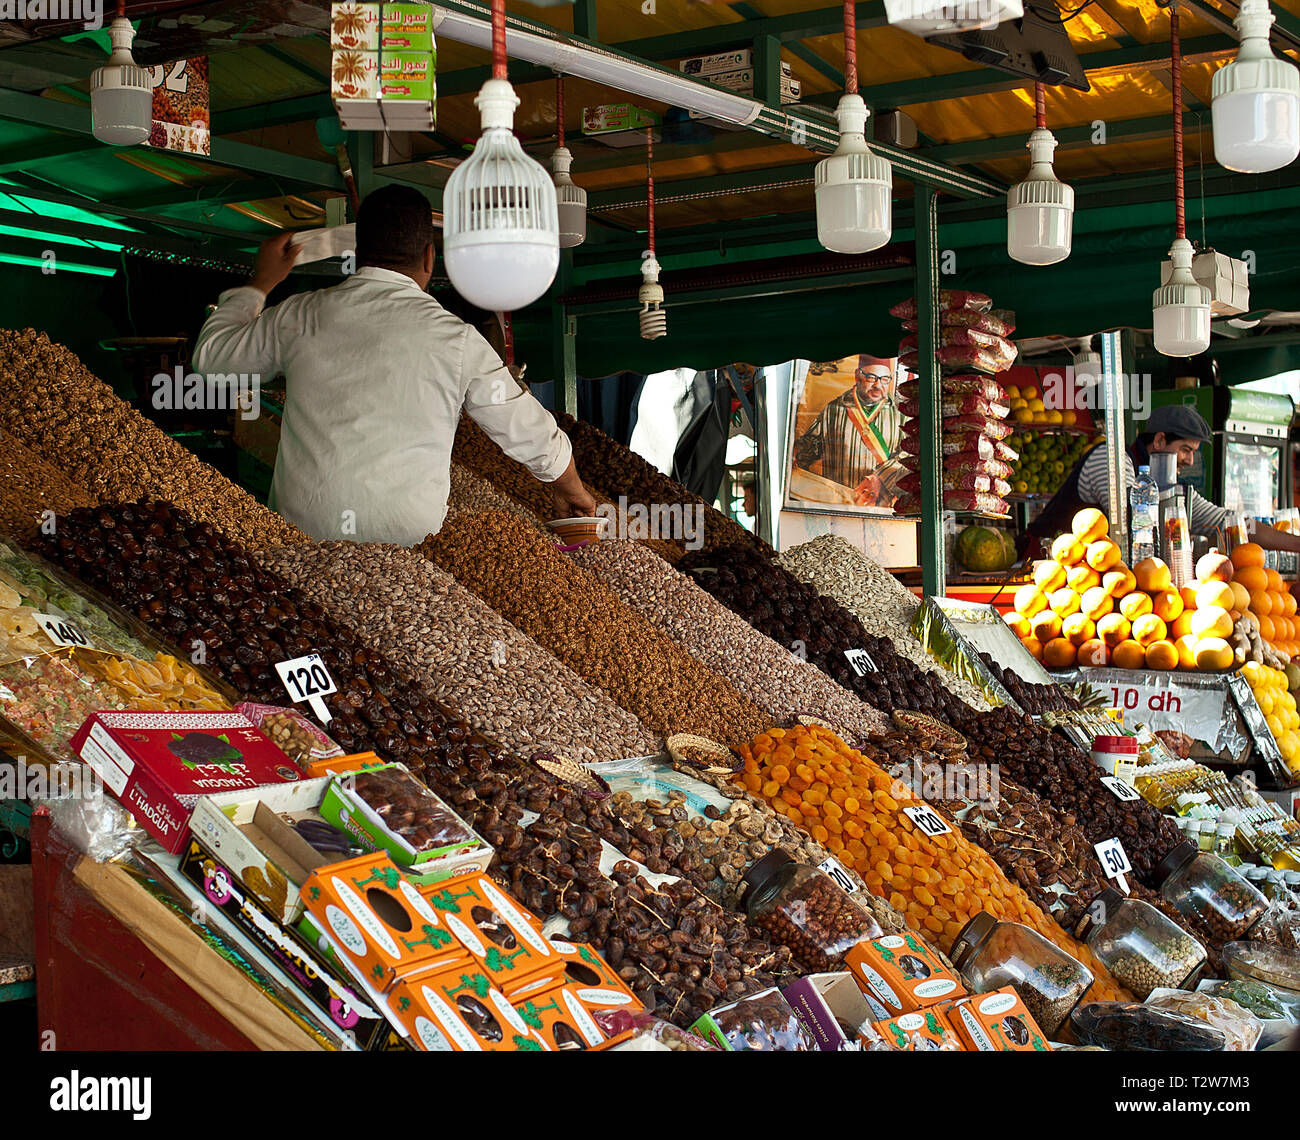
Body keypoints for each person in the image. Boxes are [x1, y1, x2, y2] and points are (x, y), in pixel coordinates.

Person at [193, 184, 595, 545]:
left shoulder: (301, 314)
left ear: (360, 252)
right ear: (429, 256)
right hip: (407, 551)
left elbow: (213, 362)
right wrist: (571, 488)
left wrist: (260, 284)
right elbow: (527, 428)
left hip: (303, 544)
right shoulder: (456, 340)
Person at [1023, 403, 1300, 557]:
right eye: (1185, 450)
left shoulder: (1164, 484)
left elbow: (1231, 521)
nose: (1190, 461)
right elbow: (1130, 523)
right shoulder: (1111, 459)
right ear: (1159, 440)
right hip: (1044, 567)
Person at [792, 355, 904, 507]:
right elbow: (812, 445)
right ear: (858, 376)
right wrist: (796, 454)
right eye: (872, 378)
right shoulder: (834, 409)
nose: (878, 385)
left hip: (883, 505)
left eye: (885, 379)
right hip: (840, 502)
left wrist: (881, 478)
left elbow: (909, 455)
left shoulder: (900, 414)